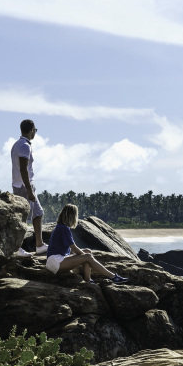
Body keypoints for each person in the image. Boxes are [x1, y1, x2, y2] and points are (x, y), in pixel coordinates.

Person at [47, 204, 128, 284]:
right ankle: (113, 277)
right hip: (55, 261)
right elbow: (74, 247)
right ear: (72, 216)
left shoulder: (61, 227)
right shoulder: (63, 228)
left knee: (87, 251)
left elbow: (68, 249)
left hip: (57, 259)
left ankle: (88, 280)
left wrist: (85, 256)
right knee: (87, 256)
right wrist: (87, 258)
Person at [11, 119, 47, 254]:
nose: (35, 133)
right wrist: (29, 190)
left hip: (25, 185)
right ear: (32, 130)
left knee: (38, 213)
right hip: (24, 186)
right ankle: (18, 247)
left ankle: (40, 245)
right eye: (35, 130)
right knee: (23, 218)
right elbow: (23, 169)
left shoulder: (17, 144)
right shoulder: (24, 145)